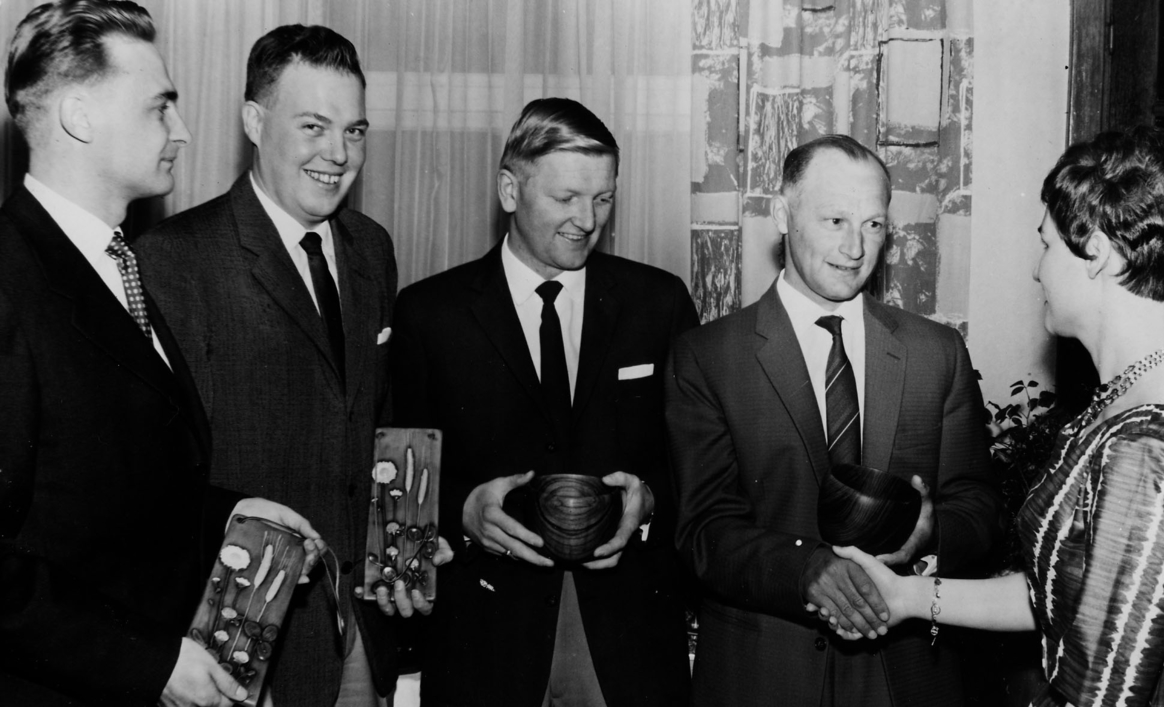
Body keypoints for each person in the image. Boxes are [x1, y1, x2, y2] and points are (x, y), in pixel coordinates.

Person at [0, 2, 324, 706]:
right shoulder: (10, 279)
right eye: (159, 107)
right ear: (80, 117)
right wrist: (152, 665)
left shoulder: (115, 263)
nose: (182, 130)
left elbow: (106, 492)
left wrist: (231, 513)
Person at [134, 24, 447, 707]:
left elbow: (376, 417)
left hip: (359, 631)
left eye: (355, 131)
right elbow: (160, 481)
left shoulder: (371, 248)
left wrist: (407, 546)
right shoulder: (175, 259)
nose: (339, 154)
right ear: (254, 121)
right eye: (314, 126)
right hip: (240, 647)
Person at [836, 125, 1164, 707]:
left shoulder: (1150, 446)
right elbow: (1060, 596)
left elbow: (1100, 691)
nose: (1037, 271)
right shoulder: (1126, 399)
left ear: (1097, 254)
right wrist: (906, 597)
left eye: (1047, 245)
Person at [665, 134, 1001, 707]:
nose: (855, 247)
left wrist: (929, 534)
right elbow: (703, 529)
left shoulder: (936, 353)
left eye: (873, 225)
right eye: (835, 221)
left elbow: (979, 508)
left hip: (904, 676)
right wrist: (805, 571)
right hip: (764, 674)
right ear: (783, 215)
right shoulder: (708, 356)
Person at [390, 97, 697, 707]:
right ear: (510, 190)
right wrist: (463, 513)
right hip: (483, 645)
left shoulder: (658, 303)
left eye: (603, 198)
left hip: (629, 640)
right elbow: (400, 479)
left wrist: (650, 500)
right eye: (566, 198)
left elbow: (699, 465)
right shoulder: (429, 314)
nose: (588, 220)